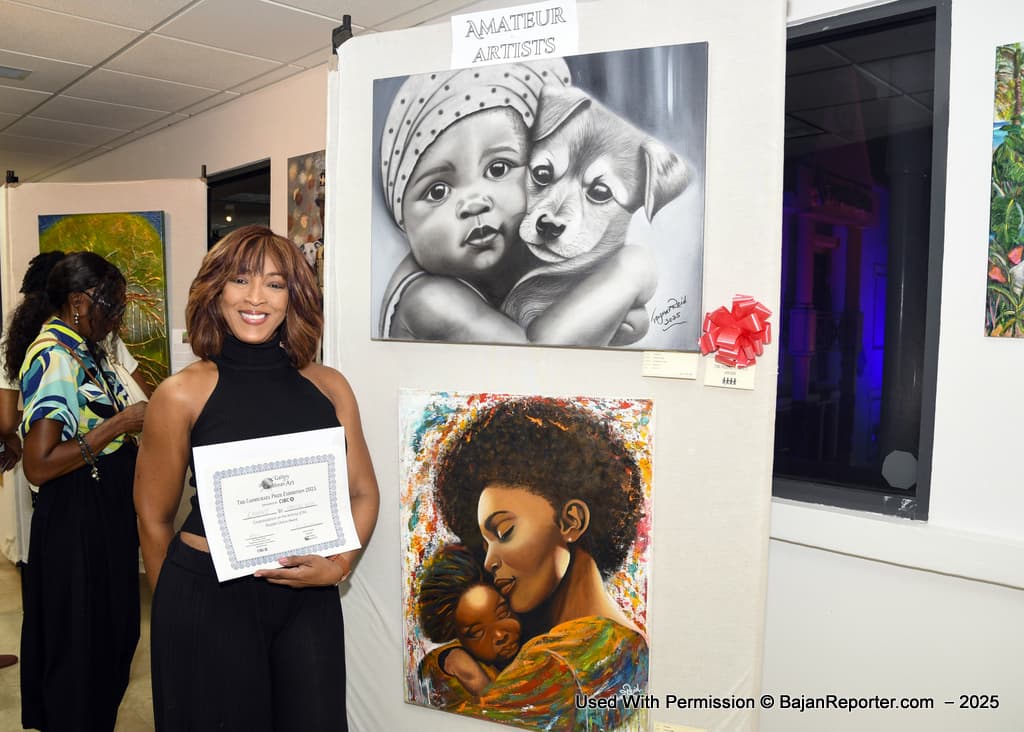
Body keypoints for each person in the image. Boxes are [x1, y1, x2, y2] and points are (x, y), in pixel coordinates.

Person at [135, 225, 380, 731]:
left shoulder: (329, 386)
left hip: (307, 597)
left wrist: (339, 568)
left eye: (274, 284)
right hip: (209, 598)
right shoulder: (182, 393)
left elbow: (363, 492)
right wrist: (176, 615)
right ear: (215, 290)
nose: (255, 298)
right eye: (240, 280)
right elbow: (153, 517)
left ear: (295, 297)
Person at [433, 397, 648, 731]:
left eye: (504, 531)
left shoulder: (566, 662)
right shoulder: (620, 646)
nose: (490, 561)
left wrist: (447, 664)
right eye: (485, 544)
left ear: (571, 521)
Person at [2, 251, 146, 731]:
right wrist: (122, 423)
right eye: (113, 304)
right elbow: (39, 466)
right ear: (80, 301)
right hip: (77, 520)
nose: (118, 315)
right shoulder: (55, 357)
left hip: (101, 515)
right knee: (81, 649)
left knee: (110, 639)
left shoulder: (85, 348)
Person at [416, 543, 521, 707]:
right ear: (456, 634)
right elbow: (498, 705)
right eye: (478, 632)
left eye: (503, 614)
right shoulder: (457, 658)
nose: (500, 635)